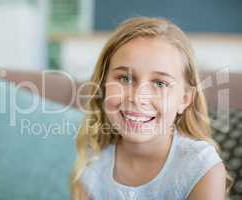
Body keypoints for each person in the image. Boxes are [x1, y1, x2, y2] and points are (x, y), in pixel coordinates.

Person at [70, 17, 230, 200]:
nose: (138, 98)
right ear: (103, 85)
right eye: (124, 78)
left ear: (184, 100)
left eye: (160, 83)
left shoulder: (201, 167)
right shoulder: (90, 162)